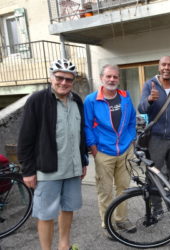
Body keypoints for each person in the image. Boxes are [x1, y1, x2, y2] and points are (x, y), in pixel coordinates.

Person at [17, 59, 88, 250]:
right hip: (48, 169)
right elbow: (25, 139)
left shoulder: (77, 101)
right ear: (51, 78)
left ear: (73, 81)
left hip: (73, 168)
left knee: (68, 208)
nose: (64, 82)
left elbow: (80, 133)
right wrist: (28, 171)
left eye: (68, 79)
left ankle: (63, 245)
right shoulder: (37, 100)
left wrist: (83, 161)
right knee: (46, 214)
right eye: (59, 78)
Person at [84, 64, 137, 237]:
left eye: (115, 77)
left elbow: (131, 121)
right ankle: (108, 223)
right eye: (108, 76)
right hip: (103, 152)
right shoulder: (91, 100)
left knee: (123, 188)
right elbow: (87, 126)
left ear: (118, 79)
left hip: (124, 150)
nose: (112, 79)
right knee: (105, 191)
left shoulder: (125, 98)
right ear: (102, 78)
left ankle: (121, 219)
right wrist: (94, 149)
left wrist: (131, 140)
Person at [138, 56, 170, 213]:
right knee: (155, 174)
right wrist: (150, 99)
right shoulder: (150, 84)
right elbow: (141, 109)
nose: (167, 68)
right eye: (163, 64)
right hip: (156, 138)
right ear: (159, 67)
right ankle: (157, 208)